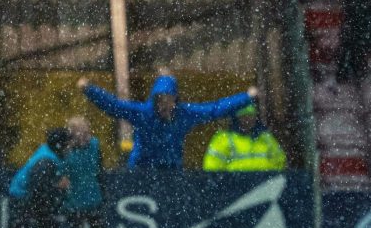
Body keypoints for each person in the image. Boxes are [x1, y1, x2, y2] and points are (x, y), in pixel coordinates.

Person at [77, 70, 259, 169]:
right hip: (142, 171)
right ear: (154, 100)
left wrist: (246, 97)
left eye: (168, 100)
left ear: (175, 99)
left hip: (171, 172)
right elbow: (114, 106)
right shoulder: (143, 113)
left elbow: (214, 109)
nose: (164, 106)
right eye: (160, 101)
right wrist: (89, 90)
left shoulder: (184, 114)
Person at [61, 116, 113, 228]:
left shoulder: (95, 145)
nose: (84, 135)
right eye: (79, 132)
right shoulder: (65, 152)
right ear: (71, 134)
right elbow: (62, 177)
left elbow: (99, 170)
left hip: (94, 200)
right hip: (74, 203)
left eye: (86, 130)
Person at [203, 104, 287, 171]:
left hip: (265, 187)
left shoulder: (266, 137)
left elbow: (281, 163)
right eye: (244, 116)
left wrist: (269, 178)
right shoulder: (223, 139)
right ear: (236, 118)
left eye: (251, 115)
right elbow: (212, 168)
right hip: (235, 188)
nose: (248, 119)